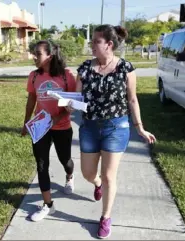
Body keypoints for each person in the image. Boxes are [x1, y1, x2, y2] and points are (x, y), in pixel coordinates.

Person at [70, 24, 156, 239]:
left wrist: (140, 128)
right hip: (89, 127)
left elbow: (132, 99)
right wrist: (70, 105)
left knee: (110, 175)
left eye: (95, 41)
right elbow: (77, 98)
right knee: (89, 174)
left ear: (108, 44)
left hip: (116, 127)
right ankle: (96, 184)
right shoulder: (84, 69)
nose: (91, 45)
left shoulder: (126, 68)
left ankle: (105, 217)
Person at [21, 40, 77, 222]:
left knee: (65, 160)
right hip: (40, 127)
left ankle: (70, 175)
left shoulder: (67, 76)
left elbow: (72, 104)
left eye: (38, 53)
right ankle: (48, 205)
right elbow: (31, 100)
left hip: (62, 127)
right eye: (34, 53)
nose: (34, 57)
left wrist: (57, 118)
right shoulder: (34, 76)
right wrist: (26, 122)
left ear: (50, 56)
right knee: (42, 164)